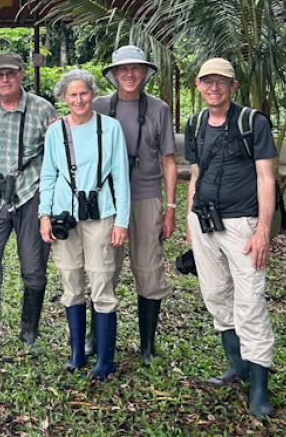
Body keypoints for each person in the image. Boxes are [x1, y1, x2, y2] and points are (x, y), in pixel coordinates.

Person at [185, 58, 276, 418]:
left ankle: (259, 387)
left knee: (250, 302)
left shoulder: (252, 122)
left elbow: (266, 178)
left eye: (221, 82)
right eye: (208, 82)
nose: (214, 88)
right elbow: (195, 174)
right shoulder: (194, 125)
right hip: (204, 223)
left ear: (232, 86)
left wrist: (263, 231)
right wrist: (190, 225)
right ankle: (238, 367)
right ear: (198, 85)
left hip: (243, 225)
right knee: (217, 297)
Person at [38, 69, 130, 381]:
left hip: (101, 214)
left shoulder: (110, 128)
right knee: (70, 282)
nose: (79, 99)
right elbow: (48, 175)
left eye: (84, 93)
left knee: (102, 284)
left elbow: (121, 176)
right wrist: (44, 215)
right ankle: (77, 352)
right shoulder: (55, 132)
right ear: (64, 98)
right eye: (72, 95)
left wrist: (122, 221)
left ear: (92, 94)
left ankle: (105, 358)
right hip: (64, 217)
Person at [92, 45, 177, 364]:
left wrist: (169, 208)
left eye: (136, 69)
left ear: (144, 73)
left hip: (145, 197)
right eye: (123, 69)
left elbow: (168, 161)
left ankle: (147, 345)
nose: (129, 74)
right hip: (106, 200)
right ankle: (95, 338)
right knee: (103, 268)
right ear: (113, 75)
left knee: (149, 269)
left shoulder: (158, 109)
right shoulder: (99, 106)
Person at [0, 53, 56, 352]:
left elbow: (56, 156)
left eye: (10, 74)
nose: (4, 80)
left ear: (21, 74)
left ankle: (28, 331)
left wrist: (49, 202)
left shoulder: (42, 109)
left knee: (33, 265)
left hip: (30, 193)